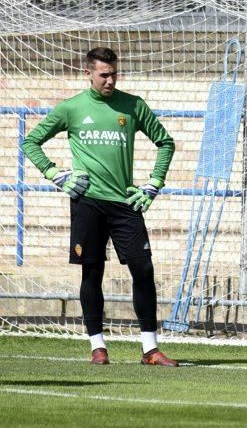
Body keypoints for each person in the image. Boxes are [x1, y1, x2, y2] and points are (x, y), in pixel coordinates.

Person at [22, 46, 178, 367]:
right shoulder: (72, 108)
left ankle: (150, 348)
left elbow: (165, 142)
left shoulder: (133, 106)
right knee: (92, 273)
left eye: (114, 74)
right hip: (87, 204)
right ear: (88, 73)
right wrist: (55, 174)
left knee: (143, 269)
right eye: (104, 74)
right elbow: (30, 142)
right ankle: (98, 346)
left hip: (125, 203)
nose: (110, 80)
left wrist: (153, 184)